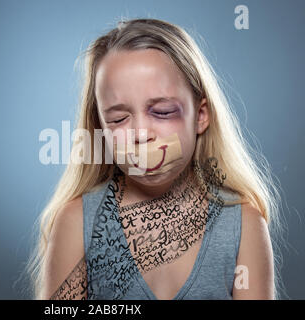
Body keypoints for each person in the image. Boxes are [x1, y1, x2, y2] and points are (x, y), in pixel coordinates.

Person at [26, 18, 283, 300]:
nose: (141, 134)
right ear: (100, 129)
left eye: (161, 111)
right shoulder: (76, 222)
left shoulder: (243, 224)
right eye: (119, 118)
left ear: (200, 116)